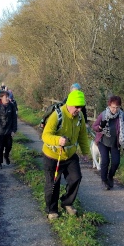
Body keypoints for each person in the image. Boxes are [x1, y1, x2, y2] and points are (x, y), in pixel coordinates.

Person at [42, 89, 89, 219]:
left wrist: (85, 152)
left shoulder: (80, 117)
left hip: (69, 155)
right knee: (53, 184)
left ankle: (67, 202)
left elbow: (83, 135)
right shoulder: (57, 115)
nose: (79, 109)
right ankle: (52, 210)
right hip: (53, 156)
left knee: (76, 177)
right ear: (70, 104)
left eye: (81, 107)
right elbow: (45, 136)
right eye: (77, 107)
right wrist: (58, 140)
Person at [92, 95, 124, 190]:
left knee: (116, 162)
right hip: (103, 141)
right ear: (109, 106)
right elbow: (94, 126)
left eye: (117, 107)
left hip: (116, 142)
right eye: (113, 107)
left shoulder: (123, 116)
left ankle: (110, 177)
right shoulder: (103, 114)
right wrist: (100, 127)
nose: (115, 110)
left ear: (120, 107)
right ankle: (104, 181)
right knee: (105, 161)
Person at [0, 90, 17, 168]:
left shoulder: (11, 106)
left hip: (9, 131)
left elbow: (14, 119)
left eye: (8, 97)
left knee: (9, 146)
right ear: (1, 98)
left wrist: (14, 130)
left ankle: (6, 155)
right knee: (0, 147)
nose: (8, 98)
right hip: (0, 131)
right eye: (6, 97)